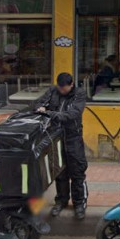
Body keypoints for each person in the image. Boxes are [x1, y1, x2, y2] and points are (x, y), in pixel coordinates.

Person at [34, 72, 89, 220]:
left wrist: (49, 113)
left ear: (71, 85)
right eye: (60, 88)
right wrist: (40, 108)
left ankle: (79, 203)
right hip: (56, 137)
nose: (62, 90)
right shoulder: (53, 91)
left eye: (64, 88)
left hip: (73, 137)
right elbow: (38, 103)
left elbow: (72, 114)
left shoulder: (79, 94)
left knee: (77, 171)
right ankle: (61, 201)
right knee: (59, 171)